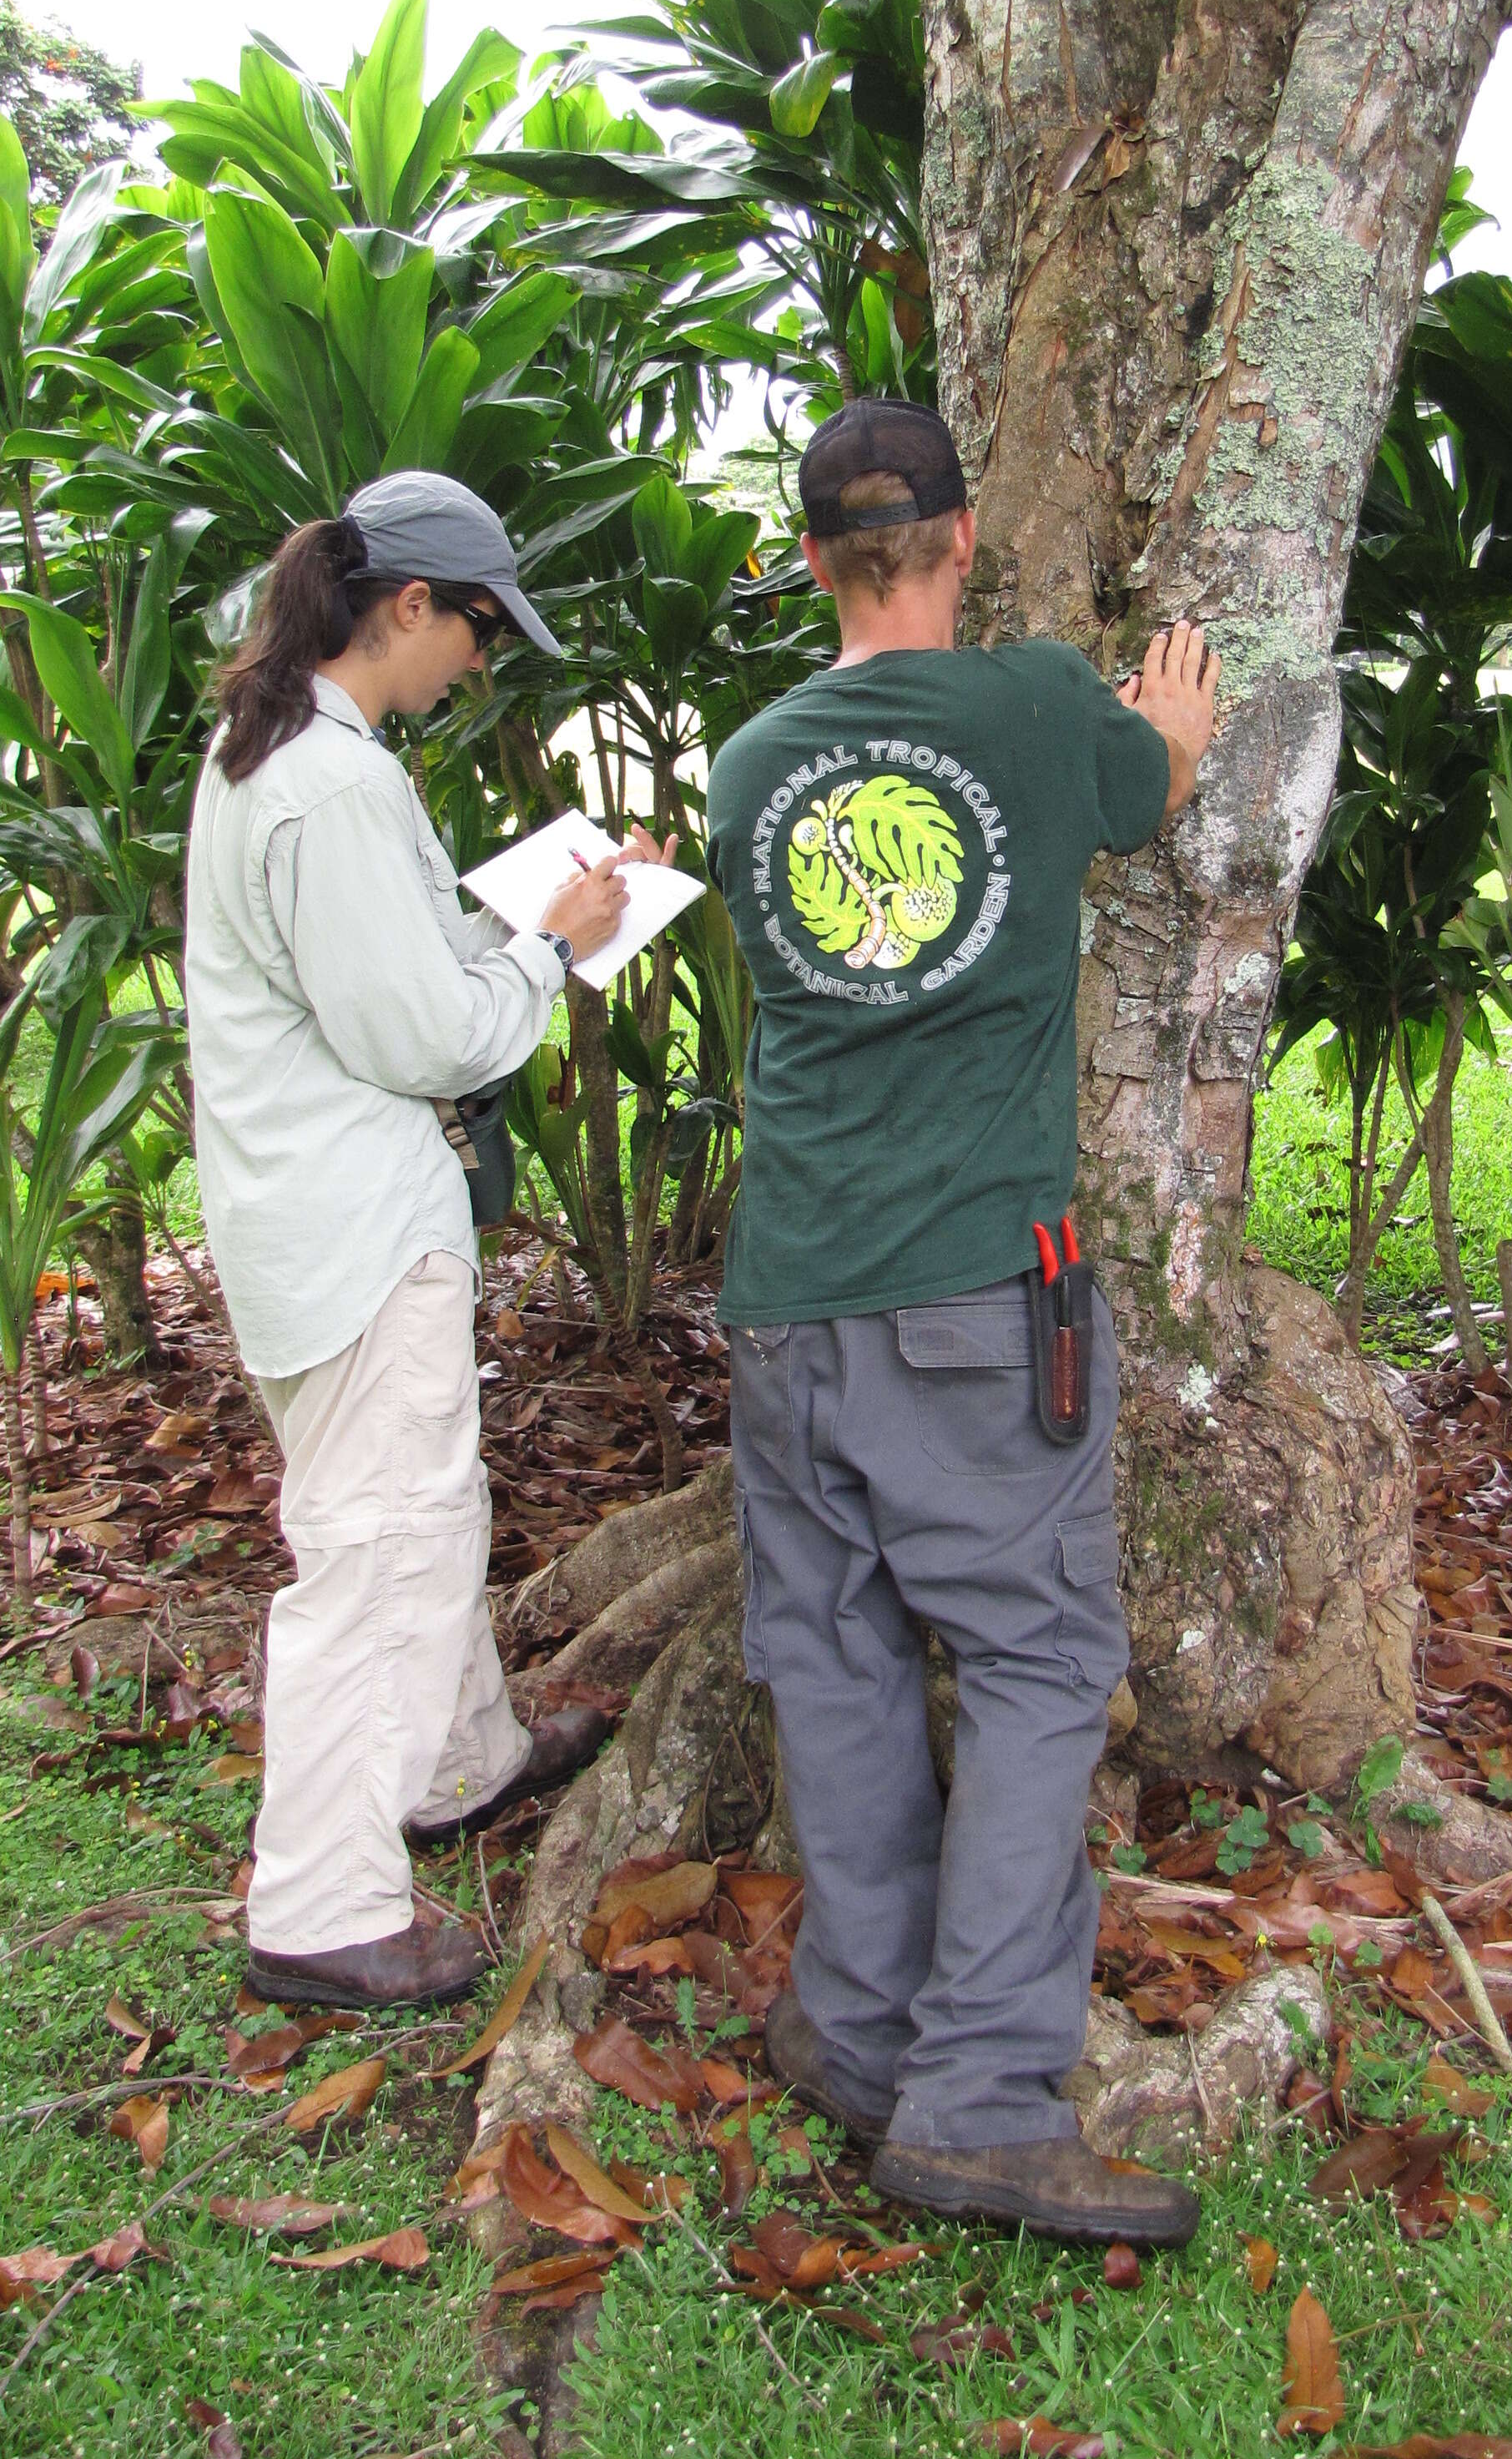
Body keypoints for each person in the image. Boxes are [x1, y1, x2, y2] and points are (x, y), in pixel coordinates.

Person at [704, 396, 1219, 2248]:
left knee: (833, 1655)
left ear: (819, 560)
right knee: (1032, 1661)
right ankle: (986, 2094)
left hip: (787, 1297)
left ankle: (853, 2029)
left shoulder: (752, 766)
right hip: (971, 1298)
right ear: (962, 536)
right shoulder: (1024, 709)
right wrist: (1164, 729)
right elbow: (1150, 795)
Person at [186, 471, 669, 2012]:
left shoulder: (293, 752)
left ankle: (466, 1758)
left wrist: (553, 909)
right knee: (377, 1543)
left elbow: (385, 958)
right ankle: (320, 1903)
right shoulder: (333, 785)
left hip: (303, 1206)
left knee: (418, 1504)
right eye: (475, 628)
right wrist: (552, 955)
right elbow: (423, 1033)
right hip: (354, 1217)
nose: (479, 657)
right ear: (409, 607)